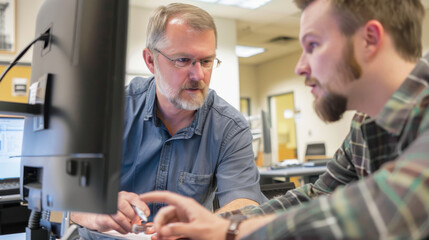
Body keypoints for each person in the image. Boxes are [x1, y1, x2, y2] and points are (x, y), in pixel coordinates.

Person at [140, 0, 429, 239]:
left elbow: (393, 206)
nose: (300, 66)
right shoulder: (366, 126)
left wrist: (232, 229)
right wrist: (216, 223)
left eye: (313, 45)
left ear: (370, 39)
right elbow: (317, 194)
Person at [71, 3, 266, 236]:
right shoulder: (109, 111)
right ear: (150, 61)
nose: (198, 75)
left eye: (206, 61)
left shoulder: (229, 128)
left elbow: (244, 204)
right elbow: (60, 200)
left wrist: (198, 228)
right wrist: (93, 212)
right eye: (183, 60)